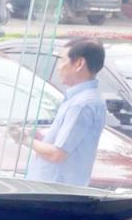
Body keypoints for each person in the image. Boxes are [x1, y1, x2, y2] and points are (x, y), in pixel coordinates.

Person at [21, 37, 108, 188]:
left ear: (79, 64)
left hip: (54, 190)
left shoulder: (82, 105)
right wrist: (38, 136)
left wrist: (24, 140)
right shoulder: (83, 99)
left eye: (62, 60)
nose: (59, 67)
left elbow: (57, 154)